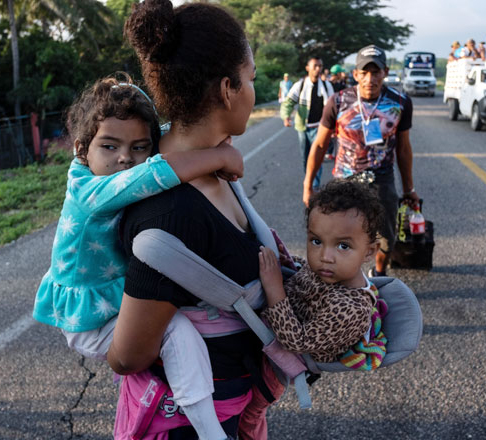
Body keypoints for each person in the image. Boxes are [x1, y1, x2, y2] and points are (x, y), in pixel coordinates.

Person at [32, 75, 245, 440]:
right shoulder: (89, 190)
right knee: (178, 331)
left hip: (108, 298)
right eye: (110, 147)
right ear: (82, 150)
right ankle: (211, 431)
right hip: (89, 321)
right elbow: (154, 174)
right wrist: (218, 154)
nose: (125, 159)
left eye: (138, 147)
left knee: (172, 324)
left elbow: (163, 142)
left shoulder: (112, 164)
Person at [110, 1, 284, 438]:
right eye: (250, 79)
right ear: (226, 89)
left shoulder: (216, 168)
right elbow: (129, 355)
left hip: (233, 410)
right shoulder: (169, 212)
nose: (252, 91)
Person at [302, 45, 420, 278]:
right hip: (344, 181)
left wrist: (409, 189)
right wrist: (308, 186)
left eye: (375, 72)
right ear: (355, 74)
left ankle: (379, 274)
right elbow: (319, 145)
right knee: (337, 235)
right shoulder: (338, 101)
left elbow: (404, 149)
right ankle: (339, 278)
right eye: (364, 72)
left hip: (381, 180)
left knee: (386, 237)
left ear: (385, 72)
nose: (370, 78)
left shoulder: (400, 103)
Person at [259, 179, 387, 365]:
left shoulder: (351, 309)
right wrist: (289, 260)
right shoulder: (329, 271)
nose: (325, 256)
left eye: (343, 246)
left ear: (369, 251)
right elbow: (306, 272)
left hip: (291, 353)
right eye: (316, 241)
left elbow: (297, 341)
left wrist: (274, 289)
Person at [281, 57, 334, 192]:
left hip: (320, 127)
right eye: (315, 66)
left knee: (317, 156)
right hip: (303, 127)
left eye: (320, 66)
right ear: (308, 68)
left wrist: (334, 126)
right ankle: (308, 179)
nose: (318, 69)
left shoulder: (327, 86)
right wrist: (286, 116)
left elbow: (333, 107)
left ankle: (314, 185)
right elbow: (288, 103)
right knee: (305, 157)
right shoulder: (300, 86)